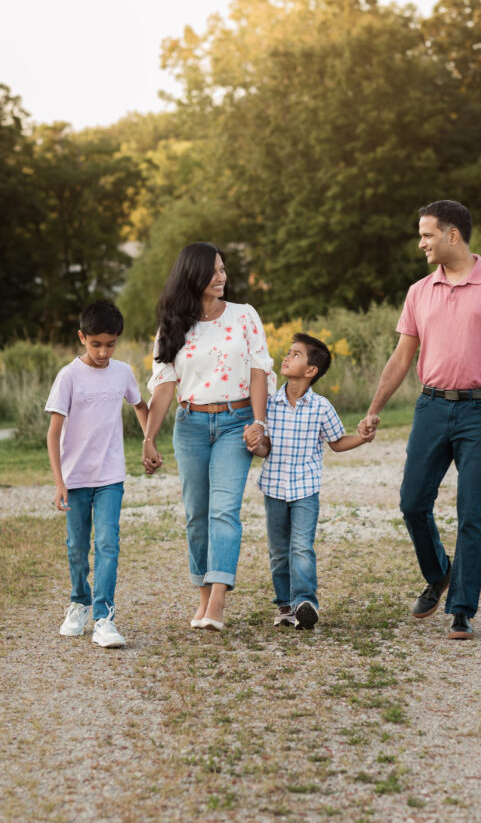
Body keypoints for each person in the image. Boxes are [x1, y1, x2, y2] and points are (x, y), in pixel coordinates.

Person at [359, 200, 481, 640]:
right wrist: (375, 408)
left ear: (453, 235)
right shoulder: (419, 291)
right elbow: (401, 357)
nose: (421, 243)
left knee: (473, 512)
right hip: (431, 408)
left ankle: (462, 608)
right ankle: (438, 573)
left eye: (427, 234)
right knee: (412, 502)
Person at [142, 242, 274, 632]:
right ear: (193, 275)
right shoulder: (172, 325)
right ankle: (202, 598)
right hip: (191, 426)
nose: (222, 277)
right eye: (214, 271)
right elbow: (164, 386)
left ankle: (217, 602)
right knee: (197, 515)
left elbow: (258, 371)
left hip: (237, 422)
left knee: (224, 511)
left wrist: (259, 423)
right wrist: (149, 438)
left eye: (223, 269)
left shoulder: (244, 315)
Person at [244, 333, 373, 630]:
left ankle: (306, 602)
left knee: (301, 546)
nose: (286, 358)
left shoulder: (321, 407)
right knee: (278, 551)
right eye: (288, 353)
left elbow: (337, 442)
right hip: (274, 489)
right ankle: (285, 606)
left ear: (311, 371)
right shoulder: (269, 404)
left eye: (295, 355)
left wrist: (362, 439)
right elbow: (265, 449)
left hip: (305, 491)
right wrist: (254, 443)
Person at [46, 300, 148, 648]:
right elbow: (53, 433)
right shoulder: (68, 376)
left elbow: (139, 405)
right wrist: (59, 482)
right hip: (75, 480)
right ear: (82, 338)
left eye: (111, 344)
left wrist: (148, 443)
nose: (104, 352)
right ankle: (79, 602)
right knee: (77, 546)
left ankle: (104, 617)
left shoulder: (122, 372)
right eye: (96, 344)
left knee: (107, 543)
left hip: (110, 477)